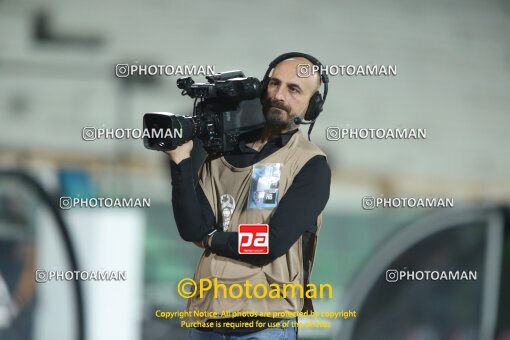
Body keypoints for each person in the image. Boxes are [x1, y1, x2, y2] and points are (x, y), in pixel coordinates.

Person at [166, 52, 331, 340]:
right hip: (207, 322)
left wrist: (212, 239)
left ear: (312, 107)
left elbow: (270, 242)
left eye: (294, 89)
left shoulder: (311, 165)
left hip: (264, 327)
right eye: (274, 84)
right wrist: (180, 162)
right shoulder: (221, 155)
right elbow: (192, 228)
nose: (279, 95)